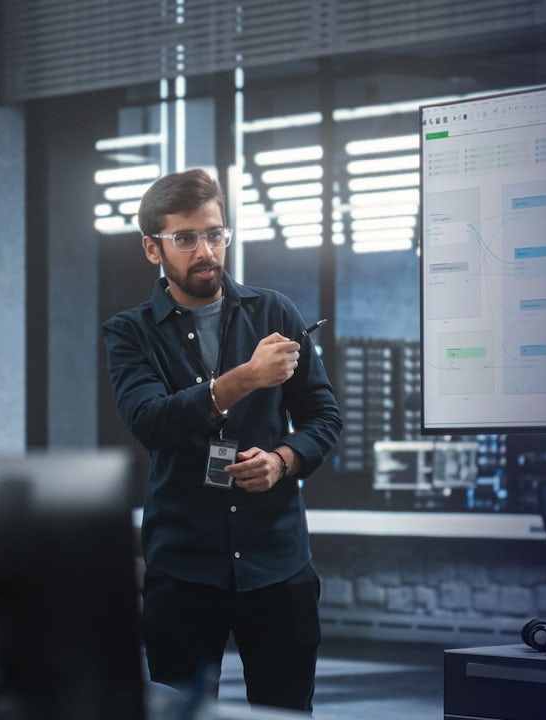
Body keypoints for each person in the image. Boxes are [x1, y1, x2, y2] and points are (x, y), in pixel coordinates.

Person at [102, 169, 342, 711]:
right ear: (152, 248)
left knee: (286, 713)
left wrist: (283, 460)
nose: (206, 251)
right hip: (183, 567)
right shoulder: (130, 332)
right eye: (186, 238)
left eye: (214, 234)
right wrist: (246, 378)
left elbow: (323, 416)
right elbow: (149, 420)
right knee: (180, 713)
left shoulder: (274, 311)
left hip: (277, 562)